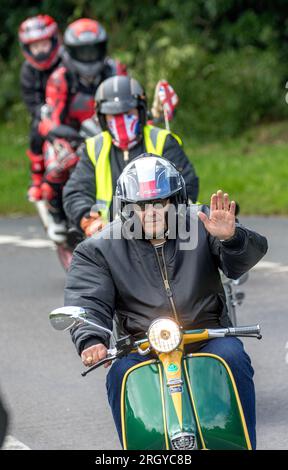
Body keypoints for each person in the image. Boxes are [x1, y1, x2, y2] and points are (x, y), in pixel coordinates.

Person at [64, 154, 268, 448]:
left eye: (161, 202)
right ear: (126, 207)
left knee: (233, 357)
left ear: (176, 201)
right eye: (141, 206)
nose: (152, 212)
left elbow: (241, 263)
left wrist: (231, 238)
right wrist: (91, 338)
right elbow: (87, 298)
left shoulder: (202, 224)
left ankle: (241, 444)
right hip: (142, 345)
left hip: (207, 335)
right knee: (121, 373)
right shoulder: (99, 248)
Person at [63, 75, 199, 237]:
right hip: (109, 238)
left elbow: (187, 184)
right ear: (103, 118)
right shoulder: (94, 147)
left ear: (140, 111)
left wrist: (161, 220)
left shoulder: (162, 140)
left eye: (127, 113)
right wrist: (90, 220)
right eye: (113, 115)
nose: (121, 121)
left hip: (160, 234)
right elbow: (76, 191)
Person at [38, 18, 127, 241]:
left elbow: (131, 101)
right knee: (59, 161)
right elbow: (50, 119)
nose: (89, 57)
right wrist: (62, 133)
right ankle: (57, 214)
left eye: (93, 50)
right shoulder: (61, 77)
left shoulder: (115, 70)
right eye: (82, 51)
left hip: (110, 131)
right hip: (73, 135)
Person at [18, 14, 61, 202]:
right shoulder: (28, 71)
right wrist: (43, 112)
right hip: (44, 114)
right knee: (36, 129)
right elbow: (31, 101)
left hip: (68, 110)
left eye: (43, 44)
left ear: (53, 41)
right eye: (35, 46)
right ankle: (37, 177)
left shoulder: (65, 61)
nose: (40, 50)